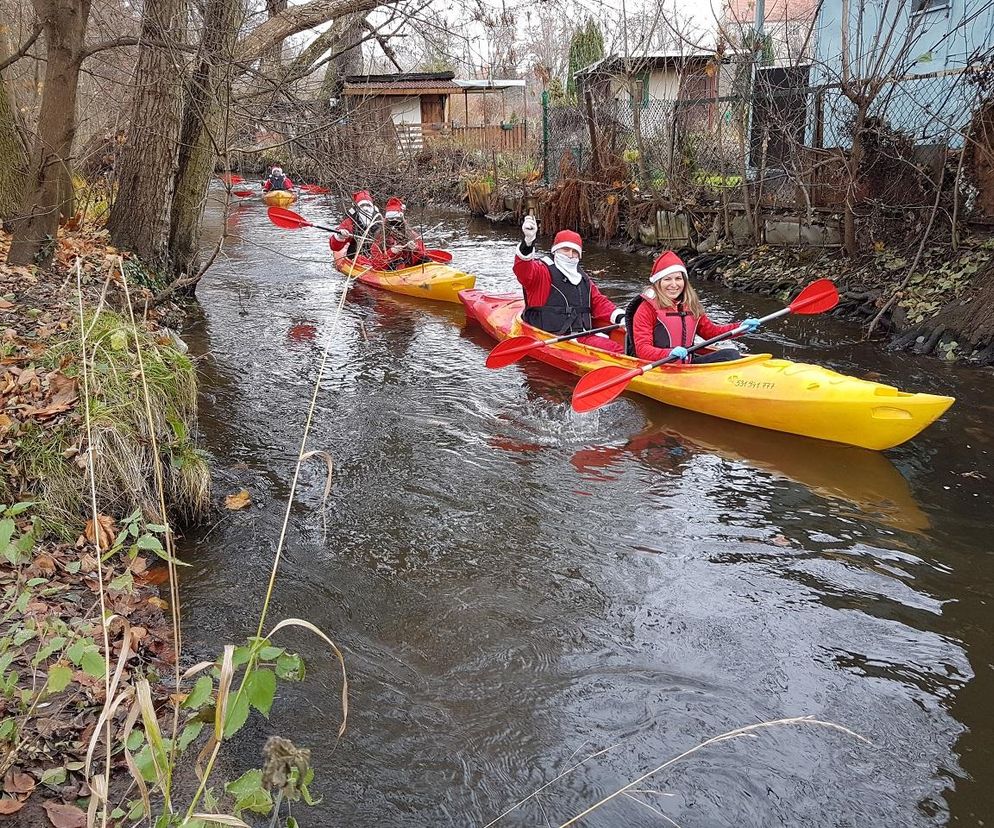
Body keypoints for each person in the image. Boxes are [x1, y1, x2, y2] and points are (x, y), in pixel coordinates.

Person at [513, 215, 626, 353]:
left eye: (575, 252)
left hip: (580, 334)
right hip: (553, 335)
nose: (570, 255)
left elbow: (598, 302)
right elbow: (523, 271)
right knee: (616, 349)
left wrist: (621, 317)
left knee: (627, 345)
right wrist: (528, 242)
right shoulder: (541, 271)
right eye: (565, 250)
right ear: (555, 251)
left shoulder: (582, 277)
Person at [626, 250, 761, 363]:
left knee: (731, 354)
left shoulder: (691, 305)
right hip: (660, 366)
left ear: (684, 281)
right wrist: (668, 353)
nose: (674, 284)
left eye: (678, 279)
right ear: (658, 282)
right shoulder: (646, 309)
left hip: (687, 364)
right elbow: (642, 350)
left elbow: (712, 332)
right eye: (667, 279)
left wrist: (741, 327)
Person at [371, 197, 430, 270]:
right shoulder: (380, 238)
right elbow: (376, 265)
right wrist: (391, 252)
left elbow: (424, 257)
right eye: (391, 219)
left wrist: (416, 249)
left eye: (397, 219)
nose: (394, 222)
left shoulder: (413, 236)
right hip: (392, 272)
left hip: (410, 270)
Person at [329, 190, 383, 260]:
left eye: (368, 205)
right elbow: (335, 247)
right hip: (355, 256)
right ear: (357, 208)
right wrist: (340, 236)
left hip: (376, 257)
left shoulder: (381, 222)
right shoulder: (350, 222)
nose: (366, 208)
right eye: (362, 205)